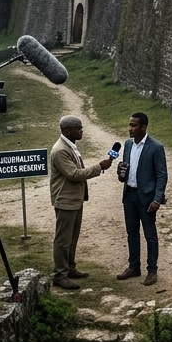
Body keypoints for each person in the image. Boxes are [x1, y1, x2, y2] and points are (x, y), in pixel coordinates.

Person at [49, 115, 113, 290]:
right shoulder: (60, 150)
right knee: (63, 239)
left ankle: (70, 268)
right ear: (67, 131)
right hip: (65, 201)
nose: (81, 131)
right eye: (78, 128)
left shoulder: (70, 146)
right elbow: (74, 174)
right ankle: (59, 275)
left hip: (74, 200)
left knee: (72, 237)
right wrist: (99, 167)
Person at [116, 113, 167, 286]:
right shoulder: (128, 144)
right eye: (129, 125)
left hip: (146, 197)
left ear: (143, 127)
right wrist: (121, 173)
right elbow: (126, 168)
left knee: (150, 235)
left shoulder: (156, 147)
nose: (130, 128)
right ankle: (133, 266)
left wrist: (157, 199)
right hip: (129, 194)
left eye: (134, 125)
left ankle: (152, 270)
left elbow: (162, 175)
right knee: (131, 232)